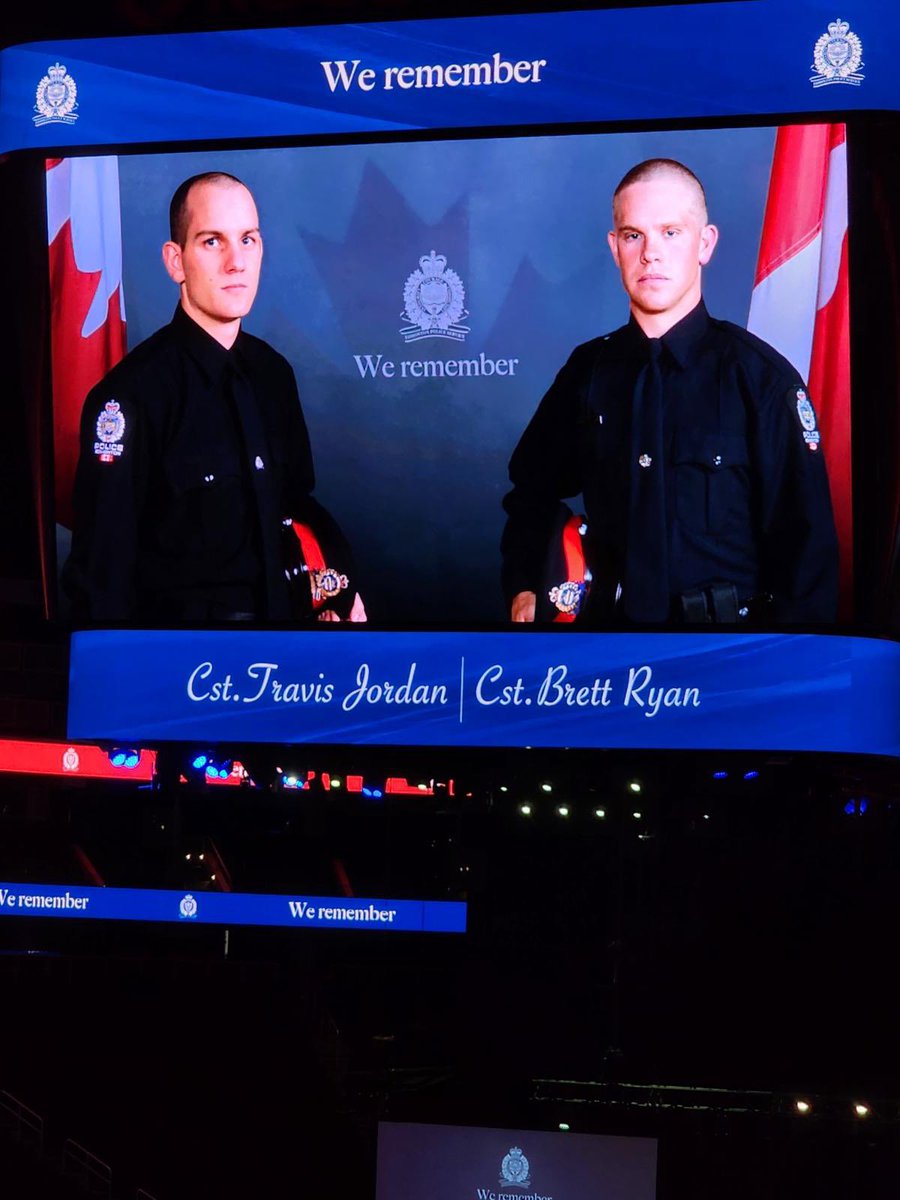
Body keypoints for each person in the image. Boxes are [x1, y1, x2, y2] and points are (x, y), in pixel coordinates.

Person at [501, 158, 839, 626]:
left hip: (725, 657)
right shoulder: (588, 371)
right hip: (611, 658)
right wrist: (524, 584)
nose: (650, 253)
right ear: (615, 247)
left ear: (705, 244)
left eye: (671, 233)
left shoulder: (760, 380)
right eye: (633, 235)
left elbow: (808, 554)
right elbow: (529, 493)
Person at [64, 171, 365, 623]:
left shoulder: (273, 374)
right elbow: (103, 571)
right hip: (187, 667)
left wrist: (340, 589)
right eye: (211, 242)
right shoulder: (131, 397)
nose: (235, 262)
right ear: (175, 261)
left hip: (284, 646)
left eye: (248, 240)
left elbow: (296, 505)